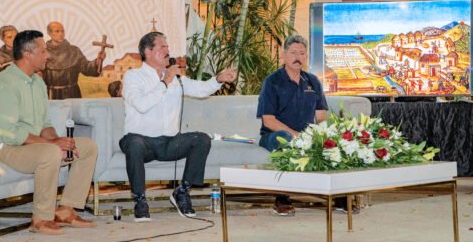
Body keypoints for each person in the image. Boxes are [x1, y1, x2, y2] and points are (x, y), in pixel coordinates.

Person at [0, 30, 98, 235]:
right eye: (44, 51)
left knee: (87, 147)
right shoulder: (5, 83)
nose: (48, 55)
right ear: (28, 54)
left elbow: (44, 123)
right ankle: (41, 219)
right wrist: (52, 145)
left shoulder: (37, 82)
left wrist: (59, 140)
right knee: (50, 152)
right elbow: (10, 133)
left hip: (30, 145)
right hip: (1, 147)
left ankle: (66, 210)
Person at [120, 31, 237, 222]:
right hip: (142, 141)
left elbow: (200, 89)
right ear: (148, 52)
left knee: (201, 139)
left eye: (168, 47)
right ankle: (140, 200)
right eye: (162, 47)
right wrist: (164, 83)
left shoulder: (175, 78)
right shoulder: (134, 76)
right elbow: (141, 105)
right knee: (134, 144)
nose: (168, 51)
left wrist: (219, 79)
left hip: (169, 142)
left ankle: (182, 191)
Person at [257, 34, 358, 216]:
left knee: (334, 140)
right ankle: (282, 198)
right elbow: (268, 120)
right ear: (284, 55)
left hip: (306, 135)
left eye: (302, 53)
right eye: (293, 53)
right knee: (285, 139)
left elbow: (321, 116)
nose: (298, 57)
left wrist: (323, 134)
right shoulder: (272, 82)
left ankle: (340, 197)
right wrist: (296, 135)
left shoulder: (313, 81)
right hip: (274, 135)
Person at [43, 21, 105, 99]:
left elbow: (86, 68)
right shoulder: (43, 52)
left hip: (72, 94)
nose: (61, 34)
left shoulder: (74, 51)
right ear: (49, 33)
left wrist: (97, 61)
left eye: (62, 31)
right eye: (57, 31)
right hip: (51, 96)